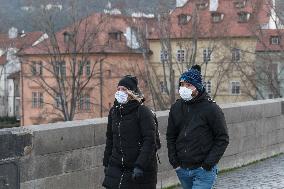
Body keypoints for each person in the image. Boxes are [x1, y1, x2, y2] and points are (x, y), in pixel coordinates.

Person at [166, 65, 229, 189]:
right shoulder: (176, 107)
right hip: (182, 169)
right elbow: (171, 136)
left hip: (203, 170)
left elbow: (222, 138)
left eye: (188, 85)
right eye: (182, 84)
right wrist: (175, 163)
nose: (184, 88)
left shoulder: (211, 108)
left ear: (198, 87)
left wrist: (208, 164)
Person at [102, 75, 157, 189]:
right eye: (118, 89)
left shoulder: (142, 112)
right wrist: (106, 162)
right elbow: (110, 139)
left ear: (131, 92)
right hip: (116, 167)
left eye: (124, 89)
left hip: (138, 169)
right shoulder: (114, 112)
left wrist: (140, 165)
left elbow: (150, 141)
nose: (120, 92)